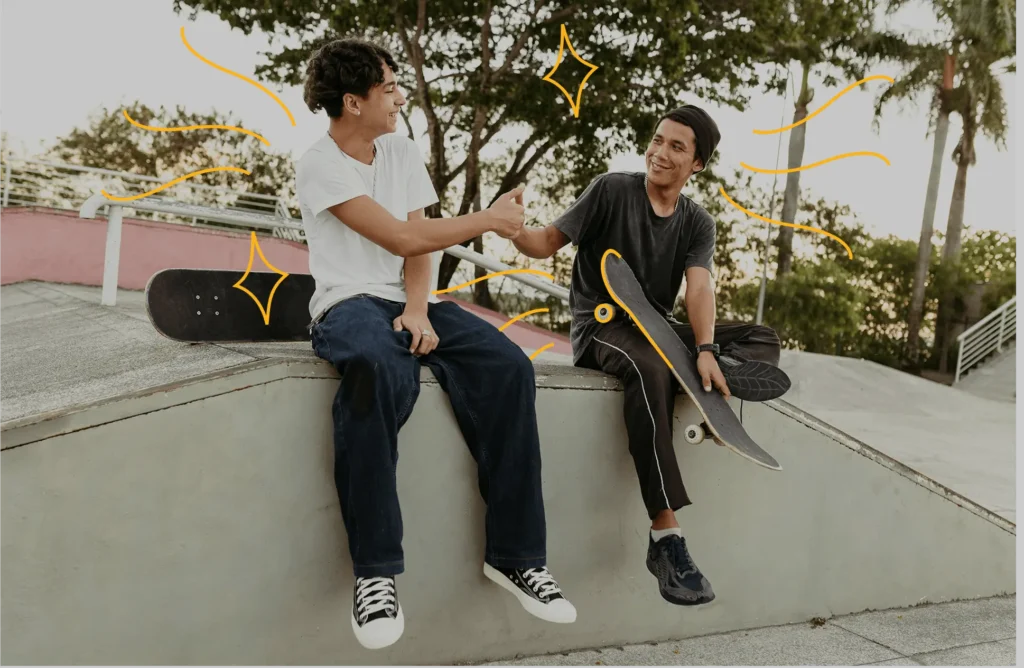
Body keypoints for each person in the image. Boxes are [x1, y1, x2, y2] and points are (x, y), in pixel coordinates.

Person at [296, 37, 576, 650]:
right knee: (376, 367)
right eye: (389, 88)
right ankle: (375, 574)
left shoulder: (399, 150)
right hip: (346, 304)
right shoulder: (319, 163)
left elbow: (419, 239)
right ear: (352, 102)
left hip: (408, 300)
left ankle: (516, 557)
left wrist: (420, 309)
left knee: (508, 366)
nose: (400, 97)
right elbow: (397, 236)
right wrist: (491, 221)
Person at [509, 104, 791, 607]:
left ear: (697, 163)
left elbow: (699, 287)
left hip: (659, 330)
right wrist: (509, 227)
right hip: (602, 330)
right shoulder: (611, 190)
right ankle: (666, 536)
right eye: (658, 140)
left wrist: (704, 348)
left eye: (676, 147)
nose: (660, 153)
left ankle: (710, 370)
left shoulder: (697, 222)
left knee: (761, 336)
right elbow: (546, 242)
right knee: (651, 365)